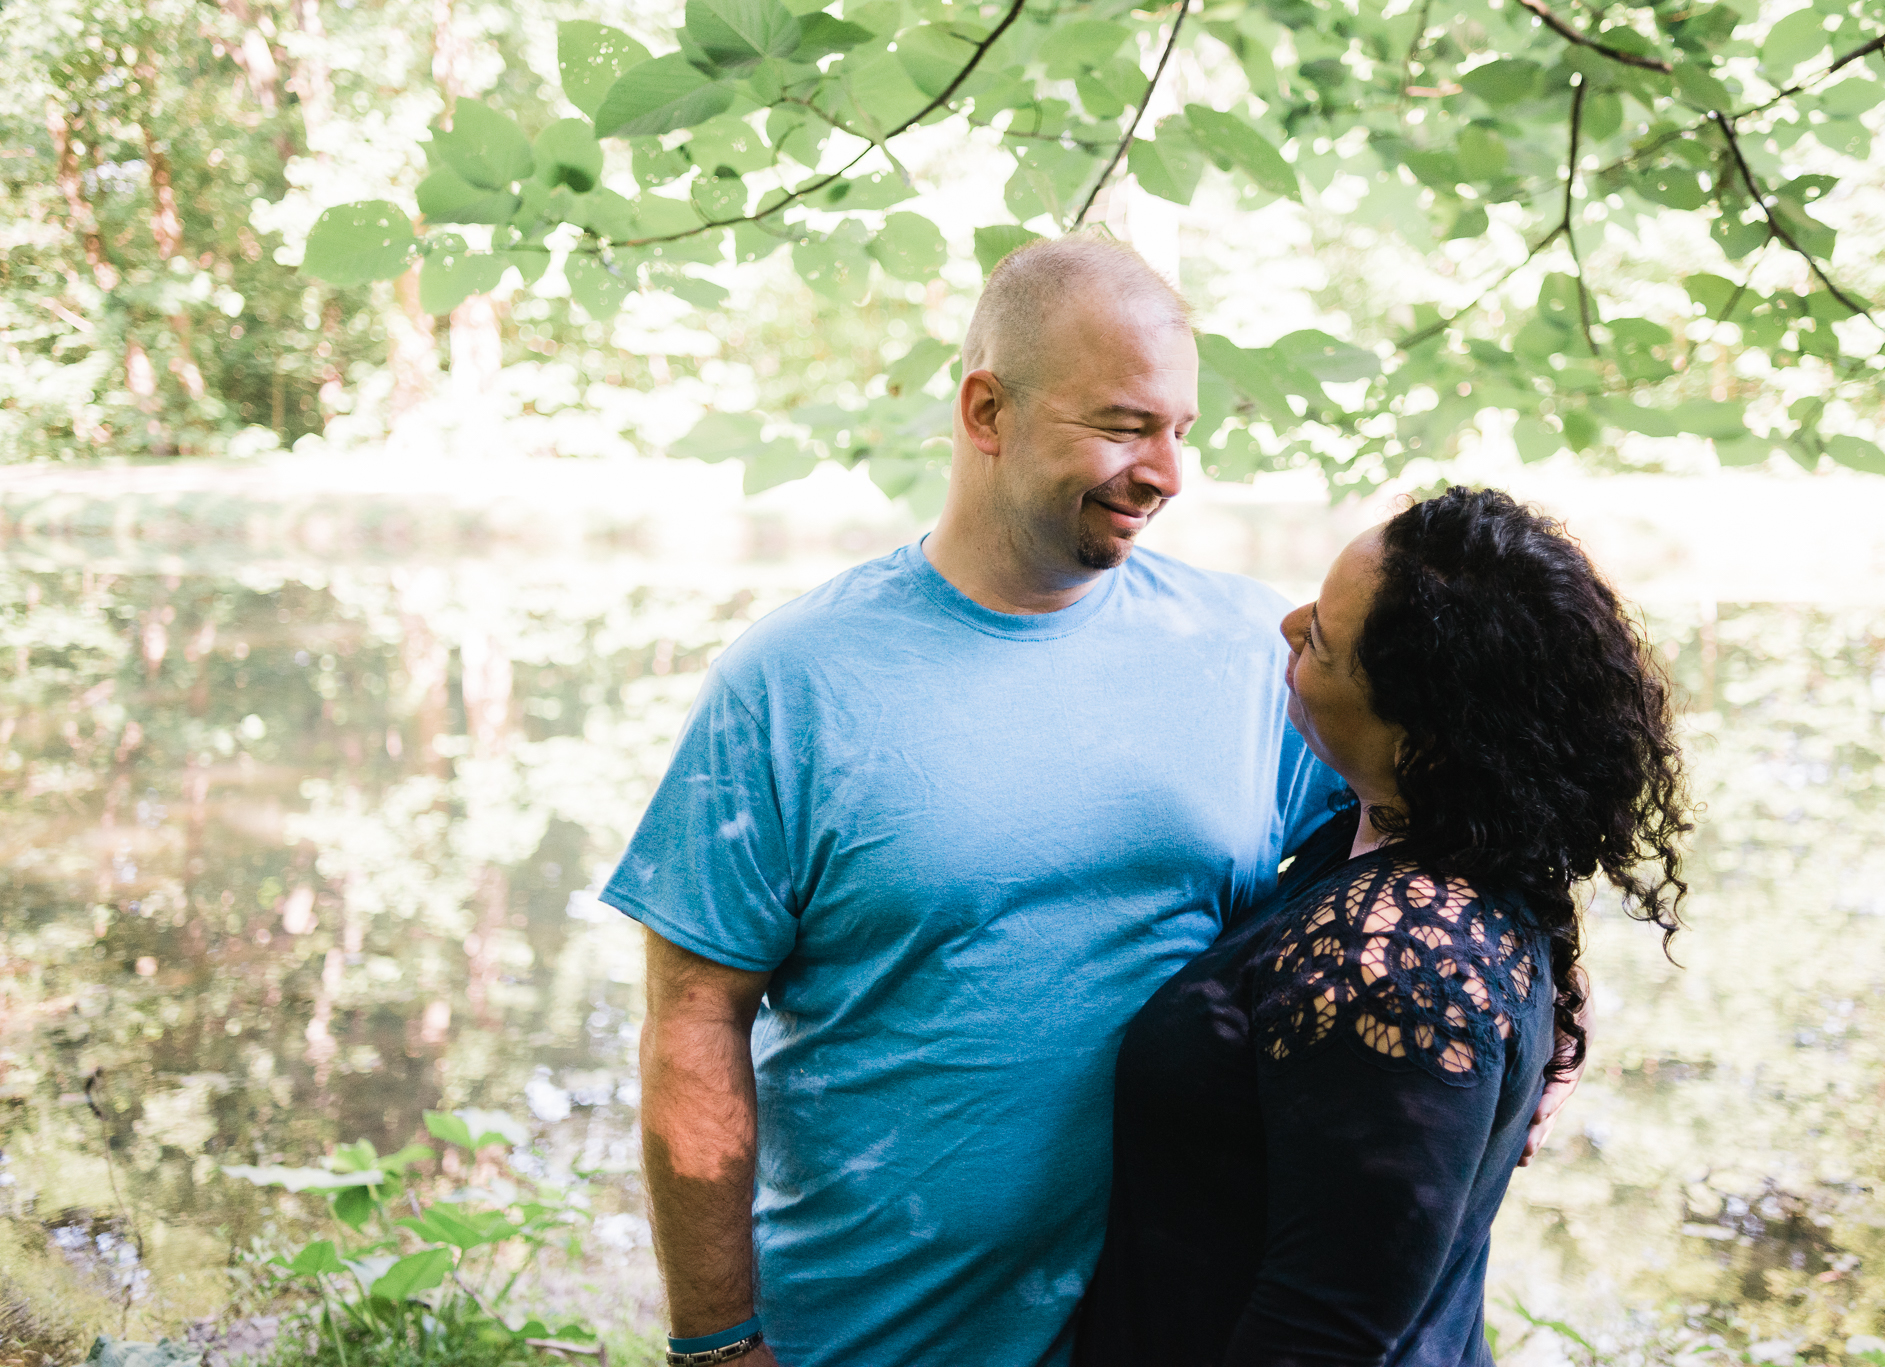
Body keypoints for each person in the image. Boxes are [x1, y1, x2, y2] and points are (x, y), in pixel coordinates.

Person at [604, 239, 1575, 1367]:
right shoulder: (793, 681)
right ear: (985, 412)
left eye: (1180, 429)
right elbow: (693, 1015)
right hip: (872, 1330)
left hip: (1157, 1325)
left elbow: (1448, 827)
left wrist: (1549, 1020)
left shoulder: (1246, 651)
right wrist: (718, 1340)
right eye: (1122, 425)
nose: (1165, 471)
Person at [1075, 487, 1691, 1367]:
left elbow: (1323, 1336)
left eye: (1321, 638)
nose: (1287, 626)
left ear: (1424, 741)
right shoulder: (1438, 846)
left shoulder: (1396, 959)